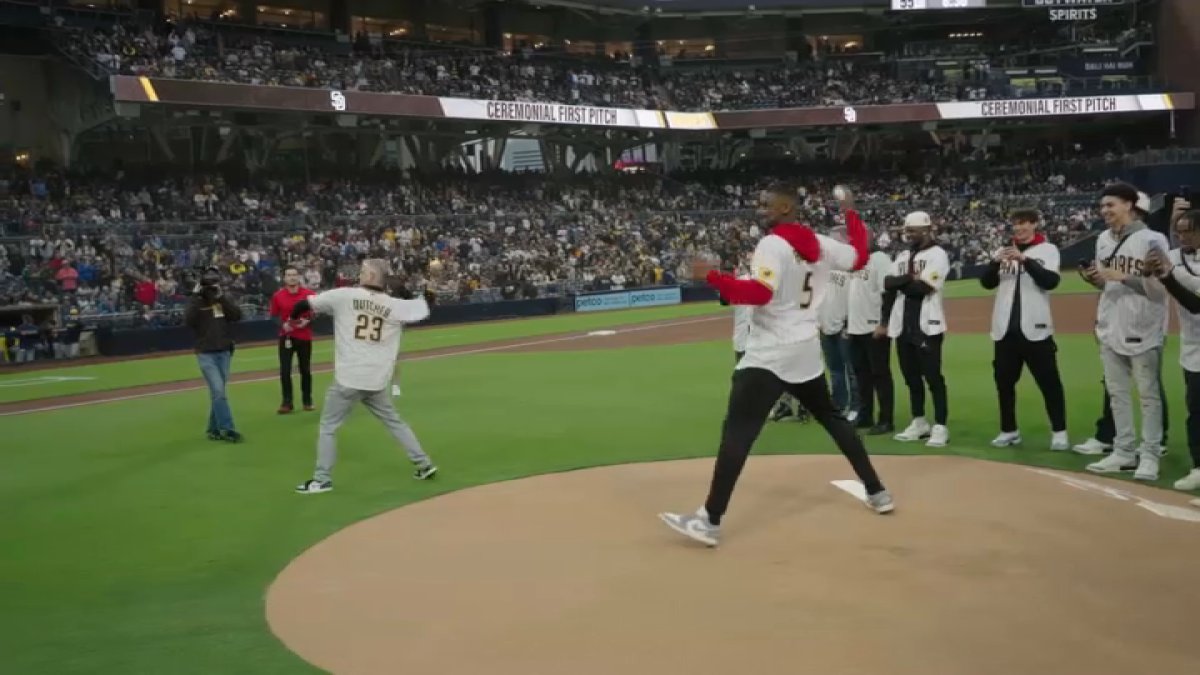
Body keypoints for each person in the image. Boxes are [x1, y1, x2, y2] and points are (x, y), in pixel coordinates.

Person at [658, 185, 893, 548]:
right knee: (831, 417)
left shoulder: (772, 245)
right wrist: (850, 211)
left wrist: (713, 277)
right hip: (804, 348)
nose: (759, 208)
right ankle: (877, 492)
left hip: (770, 351)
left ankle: (710, 520)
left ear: (785, 207)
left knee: (737, 433)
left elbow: (760, 294)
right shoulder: (821, 244)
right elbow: (859, 256)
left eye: (766, 203)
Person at [291, 259, 438, 494]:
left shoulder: (344, 295)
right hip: (376, 379)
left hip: (349, 378)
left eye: (363, 272)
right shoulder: (395, 305)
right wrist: (432, 285)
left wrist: (292, 319)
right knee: (394, 421)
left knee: (328, 426)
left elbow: (302, 305)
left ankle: (321, 479)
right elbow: (426, 305)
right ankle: (424, 463)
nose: (360, 274)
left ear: (369, 276)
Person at [1078, 182, 1169, 481]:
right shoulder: (1103, 239)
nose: (1104, 211)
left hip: (1143, 326)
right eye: (1103, 206)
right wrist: (1097, 280)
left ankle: (1150, 455)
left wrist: (1123, 276)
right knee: (1117, 394)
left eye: (1110, 205)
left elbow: (1158, 290)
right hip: (1110, 325)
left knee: (1148, 396)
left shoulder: (1153, 240)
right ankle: (1124, 451)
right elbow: (1108, 283)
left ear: (1129, 205)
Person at [978, 208, 1069, 450]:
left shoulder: (1047, 250)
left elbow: (1050, 281)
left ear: (1034, 224)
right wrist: (995, 262)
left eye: (1024, 223)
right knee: (1004, 384)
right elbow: (986, 283)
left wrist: (1025, 260)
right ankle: (1009, 430)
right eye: (1016, 224)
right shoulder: (1003, 251)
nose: (1019, 228)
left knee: (1049, 382)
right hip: (1005, 329)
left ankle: (1059, 432)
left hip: (1036, 328)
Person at [1145, 204, 1200, 491]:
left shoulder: (1175, 265)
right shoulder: (1175, 257)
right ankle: (1198, 466)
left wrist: (1168, 276)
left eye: (1189, 232)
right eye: (1179, 233)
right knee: (1196, 411)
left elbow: (1195, 303)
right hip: (1193, 350)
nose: (1182, 238)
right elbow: (1149, 275)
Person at [885, 212, 951, 447]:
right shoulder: (903, 255)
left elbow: (923, 287)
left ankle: (941, 425)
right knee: (911, 378)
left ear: (926, 230)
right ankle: (919, 421)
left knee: (933, 377)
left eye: (912, 230)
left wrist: (903, 281)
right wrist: (907, 279)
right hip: (903, 325)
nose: (908, 234)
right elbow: (887, 283)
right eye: (907, 230)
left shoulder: (938, 255)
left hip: (928, 326)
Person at [183, 266, 243, 442]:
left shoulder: (222, 299)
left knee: (218, 393)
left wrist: (221, 297)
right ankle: (228, 429)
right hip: (206, 353)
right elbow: (188, 320)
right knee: (218, 391)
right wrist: (195, 295)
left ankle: (212, 429)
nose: (211, 287)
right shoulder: (198, 302)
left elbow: (237, 315)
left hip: (224, 352)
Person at [847, 228, 895, 435]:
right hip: (855, 328)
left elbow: (889, 291)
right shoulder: (855, 262)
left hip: (874, 327)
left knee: (880, 374)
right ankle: (865, 415)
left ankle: (886, 419)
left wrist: (884, 322)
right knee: (861, 375)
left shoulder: (880, 259)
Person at [817, 225, 858, 420]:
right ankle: (838, 405)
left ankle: (856, 406)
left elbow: (854, 299)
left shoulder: (850, 270)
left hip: (844, 327)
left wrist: (849, 324)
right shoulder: (820, 269)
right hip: (825, 326)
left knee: (851, 370)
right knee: (835, 370)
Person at [269, 267, 317, 414]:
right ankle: (287, 402)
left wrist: (307, 321)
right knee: (285, 370)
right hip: (286, 337)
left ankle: (307, 401)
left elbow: (317, 312)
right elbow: (273, 315)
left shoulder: (309, 294)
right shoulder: (278, 296)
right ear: (284, 278)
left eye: (294, 275)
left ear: (299, 277)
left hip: (304, 337)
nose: (292, 278)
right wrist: (283, 324)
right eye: (289, 275)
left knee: (305, 370)